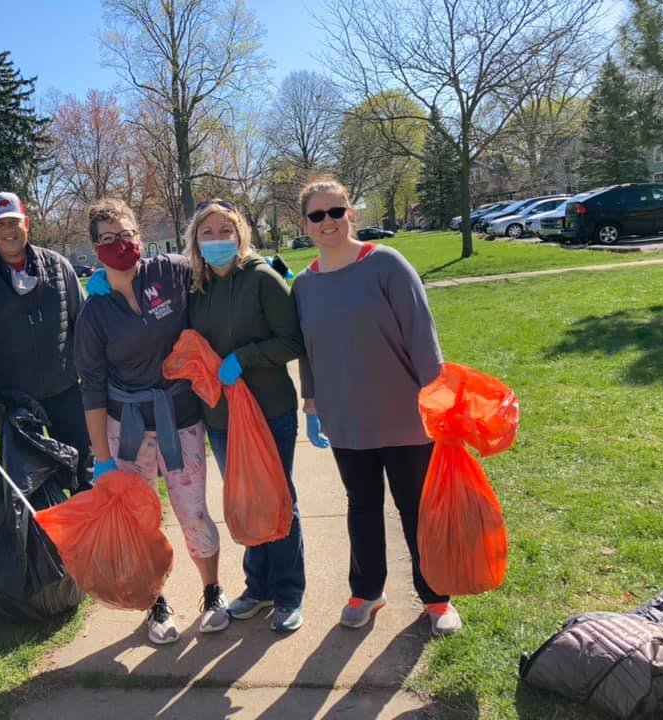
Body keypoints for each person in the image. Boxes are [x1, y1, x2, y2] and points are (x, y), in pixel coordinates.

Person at [291, 177, 463, 637]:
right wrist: (311, 404)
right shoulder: (304, 285)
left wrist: (438, 399)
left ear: (351, 213)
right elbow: (306, 351)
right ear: (305, 223)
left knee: (415, 508)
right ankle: (367, 591)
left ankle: (436, 598)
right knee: (361, 505)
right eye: (317, 215)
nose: (327, 222)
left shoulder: (386, 264)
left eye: (335, 211)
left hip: (405, 415)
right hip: (347, 419)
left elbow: (422, 337)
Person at [74, 198, 227, 645]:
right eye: (107, 239)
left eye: (125, 235)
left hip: (181, 418)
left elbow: (215, 260)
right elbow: (91, 387)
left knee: (192, 511)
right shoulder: (94, 312)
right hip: (128, 429)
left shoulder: (170, 272)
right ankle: (155, 603)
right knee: (141, 522)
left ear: (140, 236)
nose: (119, 245)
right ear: (94, 249)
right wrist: (101, 459)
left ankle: (213, 591)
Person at [185, 199, 307, 631]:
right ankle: (258, 589)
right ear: (196, 241)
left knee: (276, 498)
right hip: (221, 417)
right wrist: (104, 277)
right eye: (207, 232)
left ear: (240, 235)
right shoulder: (195, 286)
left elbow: (293, 341)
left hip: (270, 410)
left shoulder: (263, 280)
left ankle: (289, 592)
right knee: (244, 499)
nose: (217, 239)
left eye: (225, 231)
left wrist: (246, 356)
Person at [0, 191, 93, 492]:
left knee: (85, 475)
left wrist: (91, 376)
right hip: (12, 402)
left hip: (66, 392)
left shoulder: (58, 266)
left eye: (14, 222)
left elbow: (83, 323)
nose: (8, 230)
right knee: (33, 489)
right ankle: (48, 541)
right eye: (0, 223)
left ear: (27, 223)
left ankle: (93, 539)